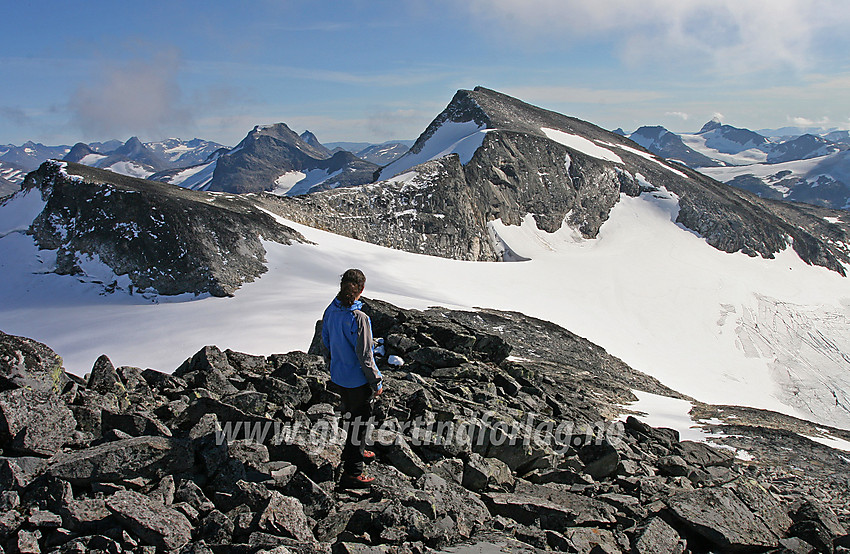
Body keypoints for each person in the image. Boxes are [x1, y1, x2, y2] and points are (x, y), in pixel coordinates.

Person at [321, 269, 383, 488]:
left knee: (350, 416)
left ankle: (355, 452)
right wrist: (376, 382)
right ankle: (353, 473)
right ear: (362, 289)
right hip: (357, 380)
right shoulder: (359, 318)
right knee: (360, 423)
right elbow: (366, 356)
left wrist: (334, 363)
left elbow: (326, 341)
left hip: (339, 376)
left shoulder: (331, 310)